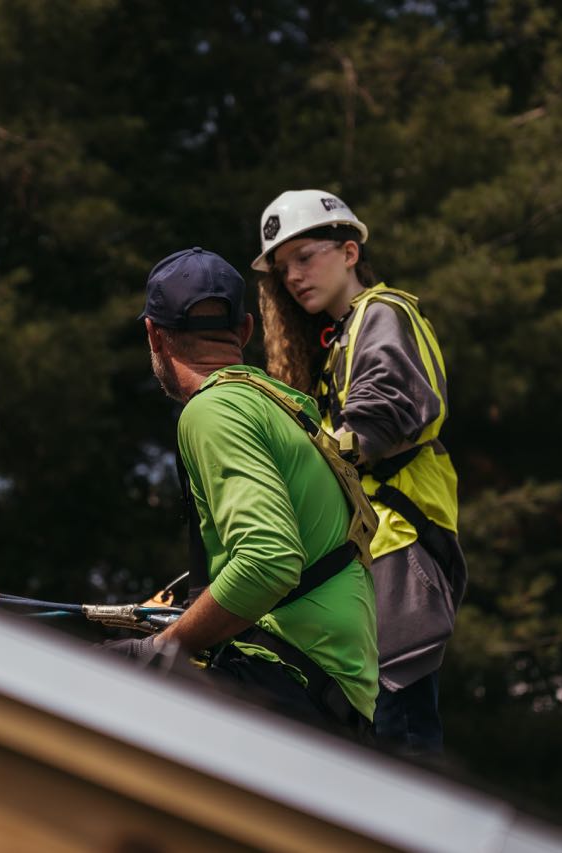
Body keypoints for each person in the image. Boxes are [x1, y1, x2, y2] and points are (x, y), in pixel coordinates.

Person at [109, 246, 380, 742]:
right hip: (328, 698)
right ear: (247, 330)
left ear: (153, 334)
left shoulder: (213, 411)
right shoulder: (280, 406)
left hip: (286, 682)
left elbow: (268, 561)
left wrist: (162, 647)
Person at [252, 190, 467, 755]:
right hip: (367, 561)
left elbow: (387, 412)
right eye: (282, 269)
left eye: (306, 256)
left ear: (349, 251)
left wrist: (290, 467)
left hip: (396, 554)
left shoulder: (384, 312)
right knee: (374, 750)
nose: (294, 277)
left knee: (402, 750)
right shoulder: (339, 340)